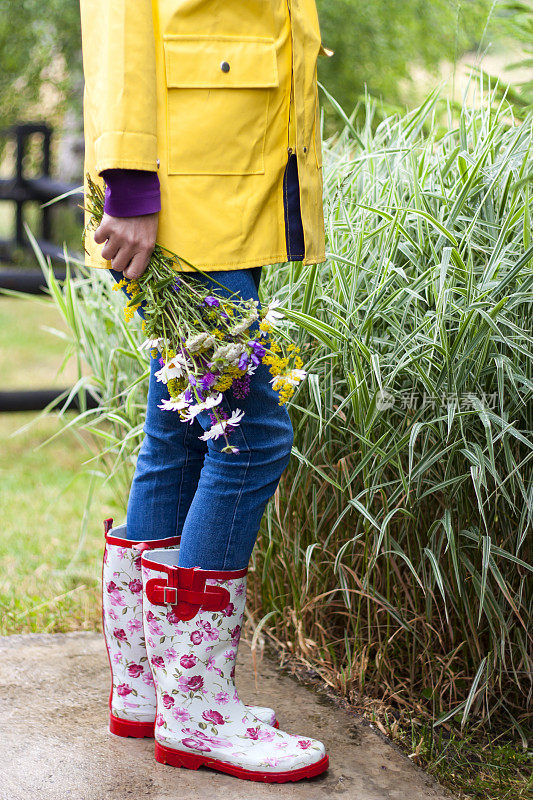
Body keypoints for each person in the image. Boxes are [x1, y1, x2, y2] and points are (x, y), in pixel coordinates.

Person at [79, 0, 333, 783]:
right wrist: (126, 177)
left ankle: (153, 694)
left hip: (225, 171)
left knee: (182, 431)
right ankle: (196, 710)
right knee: (249, 435)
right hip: (188, 185)